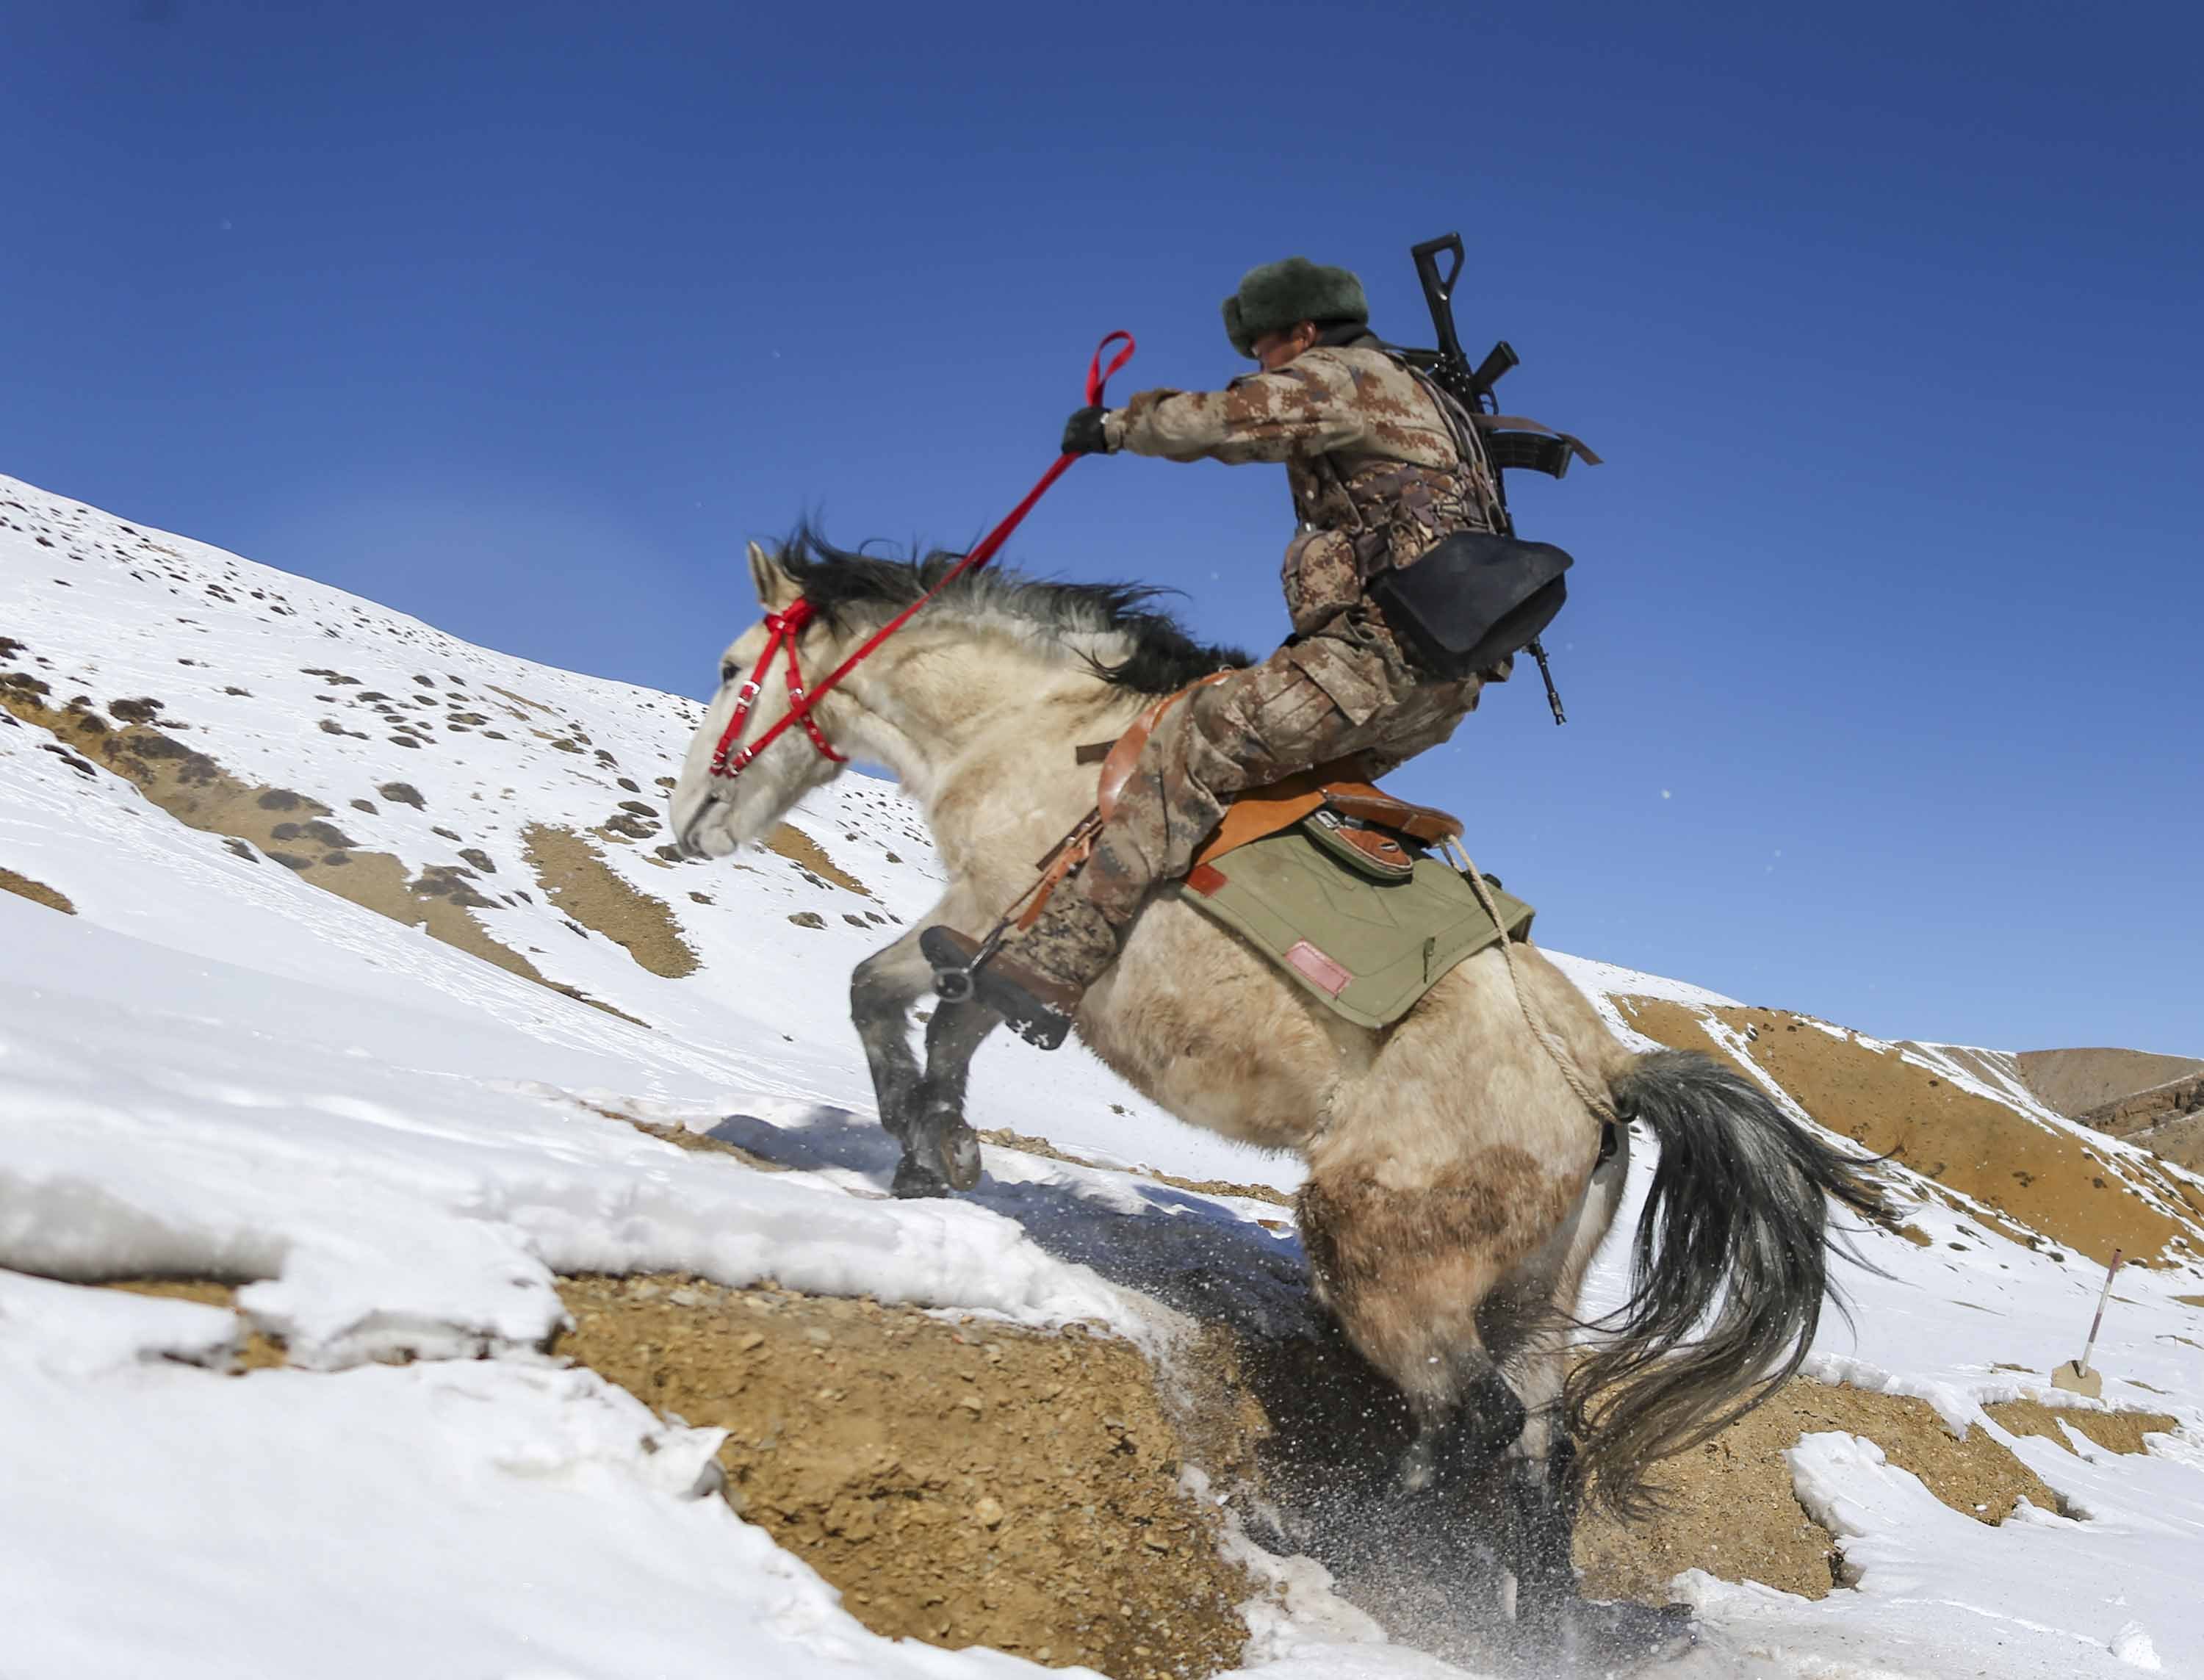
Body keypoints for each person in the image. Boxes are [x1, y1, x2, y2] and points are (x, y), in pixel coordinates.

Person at [930, 256, 1510, 1048]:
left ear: (1304, 330)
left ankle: (1052, 967)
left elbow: (1228, 421)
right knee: (1272, 794)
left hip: (1374, 662)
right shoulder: (1428, 401)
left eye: (1265, 347)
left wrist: (1116, 428)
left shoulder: (1343, 377)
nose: (1259, 364)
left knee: (1186, 747)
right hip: (1443, 688)